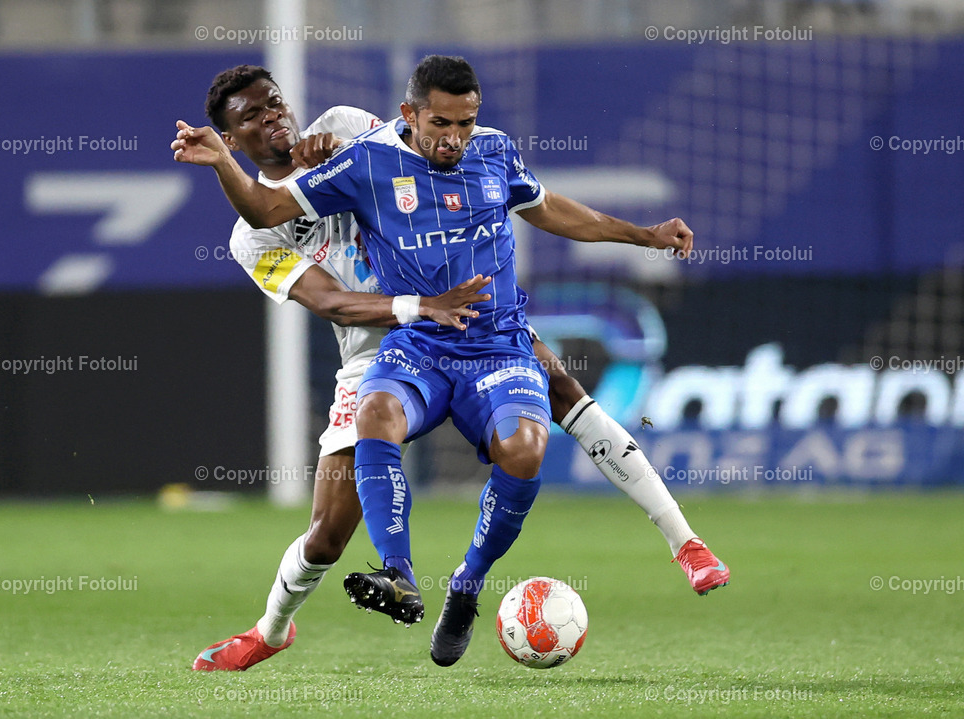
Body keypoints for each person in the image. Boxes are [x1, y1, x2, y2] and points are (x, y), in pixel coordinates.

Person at [177, 60, 728, 671]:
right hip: (381, 345)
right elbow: (330, 300)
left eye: (274, 103)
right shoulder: (251, 237)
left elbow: (414, 148)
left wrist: (334, 150)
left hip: (472, 319)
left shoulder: (348, 128)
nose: (271, 117)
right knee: (329, 532)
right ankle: (273, 630)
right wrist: (419, 306)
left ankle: (685, 542)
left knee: (563, 394)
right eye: (251, 117)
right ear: (232, 141)